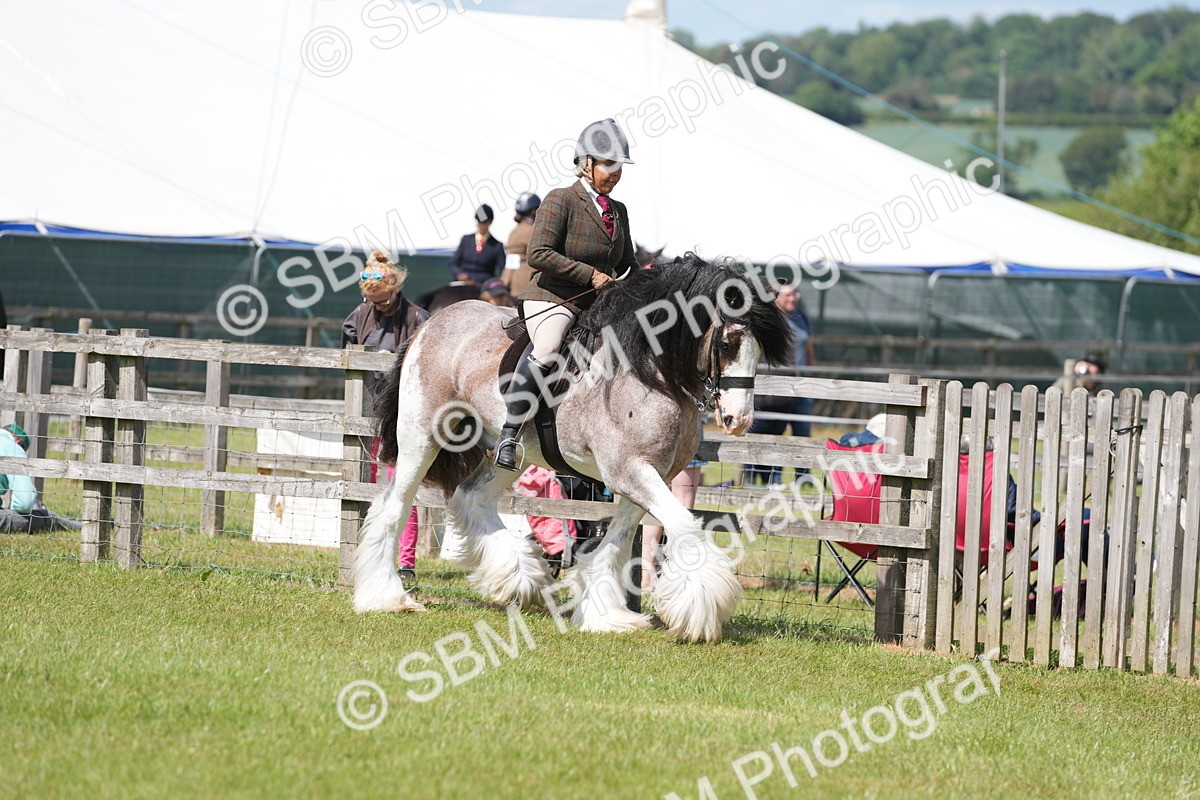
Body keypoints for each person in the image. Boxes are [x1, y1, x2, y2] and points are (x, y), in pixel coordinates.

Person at [494, 118, 640, 470]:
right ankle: (509, 434)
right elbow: (539, 254)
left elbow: (628, 264)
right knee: (546, 352)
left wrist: (647, 279)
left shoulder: (618, 211)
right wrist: (590, 275)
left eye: (619, 166)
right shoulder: (561, 199)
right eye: (609, 165)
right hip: (553, 297)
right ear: (587, 164)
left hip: (596, 305)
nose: (616, 173)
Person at [341, 251, 430, 582]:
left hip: (404, 413)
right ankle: (361, 552)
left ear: (396, 289)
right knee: (362, 480)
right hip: (367, 409)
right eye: (371, 301)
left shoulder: (419, 318)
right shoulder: (358, 316)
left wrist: (392, 360)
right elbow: (347, 356)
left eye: (383, 300)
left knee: (403, 484)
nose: (377, 307)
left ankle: (405, 562)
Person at [744, 282, 817, 486]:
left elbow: (809, 348)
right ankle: (753, 477)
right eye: (788, 296)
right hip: (772, 388)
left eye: (795, 295)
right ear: (776, 297)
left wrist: (811, 377)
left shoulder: (802, 317)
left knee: (801, 433)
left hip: (801, 385)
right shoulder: (767, 318)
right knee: (762, 432)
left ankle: (803, 478)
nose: (793, 299)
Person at [0, 423, 81, 533]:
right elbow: (24, 502)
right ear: (19, 442)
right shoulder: (13, 447)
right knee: (47, 517)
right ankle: (84, 527)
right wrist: (14, 512)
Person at [448, 204, 506, 285]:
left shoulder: (497, 246)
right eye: (479, 222)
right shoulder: (466, 240)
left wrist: (493, 283)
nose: (481, 225)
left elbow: (502, 270)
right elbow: (453, 263)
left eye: (484, 223)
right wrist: (459, 274)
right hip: (464, 281)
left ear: (490, 223)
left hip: (484, 284)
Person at [503, 192, 541, 295]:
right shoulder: (532, 230)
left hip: (509, 278)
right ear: (534, 211)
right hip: (526, 279)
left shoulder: (513, 231)